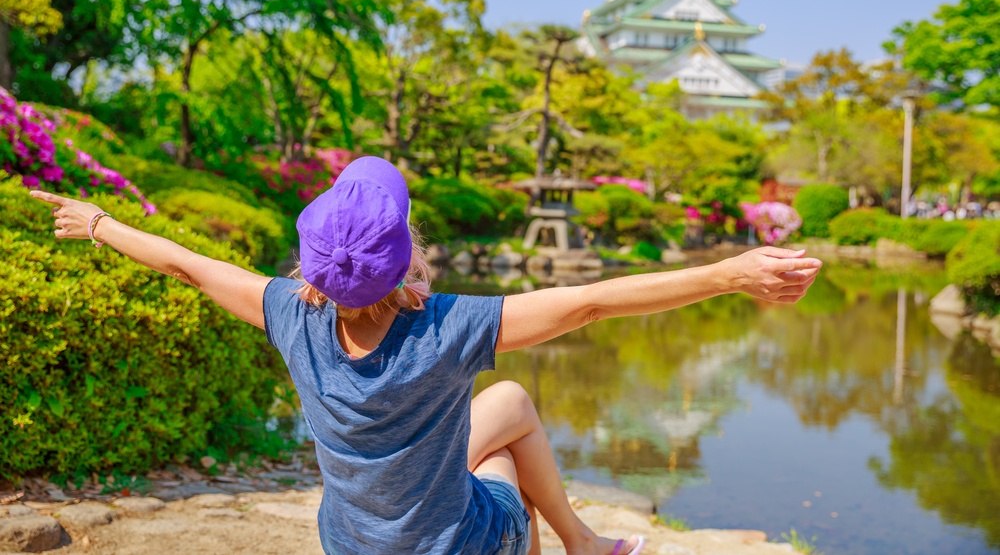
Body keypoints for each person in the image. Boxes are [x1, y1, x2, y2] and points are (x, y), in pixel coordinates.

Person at [30, 156, 822, 555]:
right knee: (508, 461)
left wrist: (99, 221)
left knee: (508, 399)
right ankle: (575, 544)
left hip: (354, 541)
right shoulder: (448, 325)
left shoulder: (287, 313)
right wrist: (727, 273)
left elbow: (183, 261)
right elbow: (591, 301)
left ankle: (582, 543)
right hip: (451, 545)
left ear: (312, 258)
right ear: (406, 253)